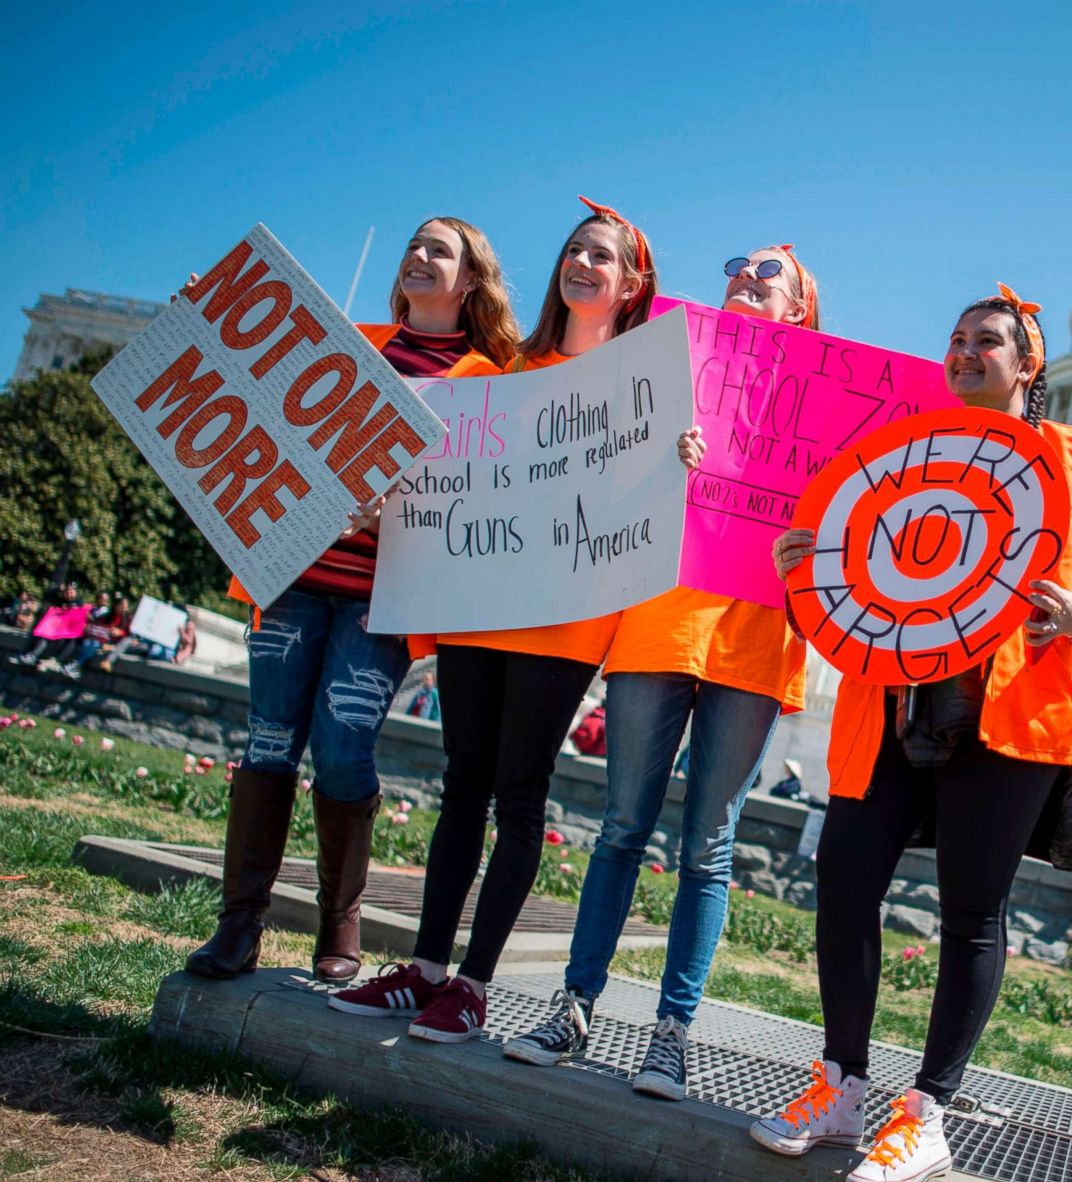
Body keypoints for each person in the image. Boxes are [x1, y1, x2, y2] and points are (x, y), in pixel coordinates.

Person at [748, 286, 1072, 1182]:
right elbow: (854, 571)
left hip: (1004, 708)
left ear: (1027, 364)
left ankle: (924, 1115)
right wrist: (806, 563)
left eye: (987, 342)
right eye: (956, 339)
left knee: (970, 909)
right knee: (844, 877)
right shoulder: (902, 454)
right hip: (892, 700)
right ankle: (840, 1085)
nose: (964, 353)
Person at [330, 197, 656, 1040]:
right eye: (573, 250)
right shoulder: (499, 374)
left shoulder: (649, 387)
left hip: (564, 621)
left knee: (519, 791)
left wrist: (673, 459)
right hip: (479, 605)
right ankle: (426, 969)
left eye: (601, 256)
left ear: (631, 283)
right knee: (462, 780)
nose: (581, 264)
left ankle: (473, 985)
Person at [502, 245, 821, 1099]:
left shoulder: (825, 409)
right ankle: (574, 1004)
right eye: (738, 269)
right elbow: (595, 480)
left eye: (769, 276)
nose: (747, 280)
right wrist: (658, 461)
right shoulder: (665, 360)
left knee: (708, 849)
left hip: (753, 640)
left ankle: (671, 1033)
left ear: (798, 310)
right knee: (621, 826)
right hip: (657, 624)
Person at [187, 216, 515, 985]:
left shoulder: (490, 382)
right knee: (269, 741)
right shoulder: (351, 347)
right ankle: (239, 924)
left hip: (383, 599)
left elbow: (488, 495)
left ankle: (340, 921)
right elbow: (256, 382)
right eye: (415, 245)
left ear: (470, 282)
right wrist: (209, 321)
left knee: (342, 748)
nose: (420, 256)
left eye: (441, 250)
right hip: (293, 576)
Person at [8, 583, 92, 671]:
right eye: (67, 591)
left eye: (71, 591)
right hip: (56, 630)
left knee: (58, 637)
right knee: (40, 632)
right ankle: (31, 655)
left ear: (76, 592)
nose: (69, 593)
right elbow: (47, 595)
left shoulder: (80, 604)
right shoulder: (60, 601)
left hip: (68, 633)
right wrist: (58, 588)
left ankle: (52, 660)